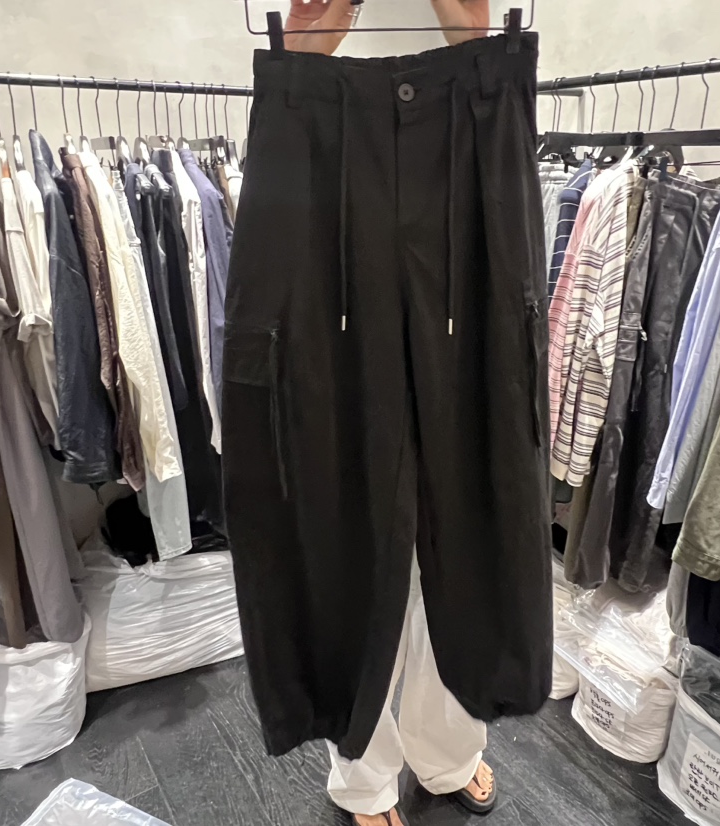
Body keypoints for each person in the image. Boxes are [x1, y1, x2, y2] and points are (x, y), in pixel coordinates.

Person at [280, 7, 498, 825]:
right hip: (339, 253)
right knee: (357, 570)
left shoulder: (477, 68)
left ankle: (449, 753)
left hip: (460, 285)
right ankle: (363, 777)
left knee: (463, 560)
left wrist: (472, 38)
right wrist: (305, 52)